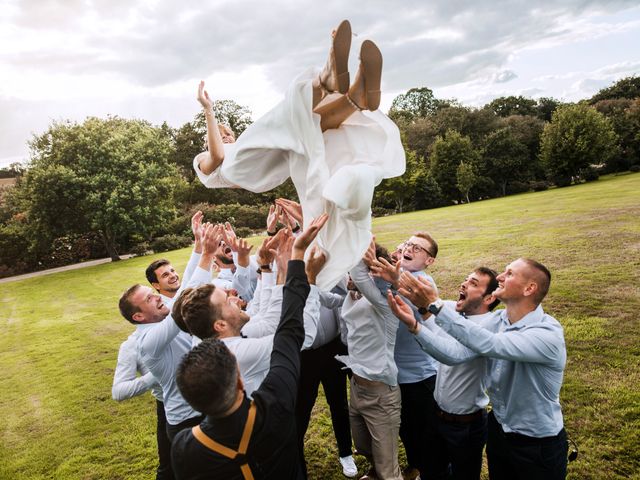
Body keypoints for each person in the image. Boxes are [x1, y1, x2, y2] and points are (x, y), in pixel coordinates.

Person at [192, 19, 405, 291]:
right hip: (241, 170)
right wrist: (209, 111)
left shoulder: (249, 143)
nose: (224, 138)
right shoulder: (202, 158)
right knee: (288, 112)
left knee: (309, 128)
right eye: (219, 136)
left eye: (227, 134)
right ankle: (326, 78)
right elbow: (217, 158)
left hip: (272, 165)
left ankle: (353, 99)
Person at [171, 215, 329, 480]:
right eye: (227, 300)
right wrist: (303, 271)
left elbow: (265, 318)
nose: (235, 297)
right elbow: (298, 335)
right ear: (240, 382)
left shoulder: (183, 447)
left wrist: (270, 271)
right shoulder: (273, 410)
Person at [394, 258, 568, 480]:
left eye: (509, 273)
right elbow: (455, 354)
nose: (500, 277)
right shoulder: (497, 320)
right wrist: (415, 326)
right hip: (500, 431)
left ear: (529, 288)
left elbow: (491, 344)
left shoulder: (547, 333)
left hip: (537, 444)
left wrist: (434, 305)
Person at [387, 267, 500, 480]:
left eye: (474, 283)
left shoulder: (488, 329)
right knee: (431, 471)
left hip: (466, 426)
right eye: (466, 279)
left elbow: (451, 354)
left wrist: (414, 325)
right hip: (436, 415)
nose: (464, 284)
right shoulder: (452, 310)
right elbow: (434, 326)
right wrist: (416, 304)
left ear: (490, 297)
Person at [117, 224, 222, 441]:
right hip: (186, 421)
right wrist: (207, 254)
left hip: (207, 406)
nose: (158, 297)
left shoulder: (163, 317)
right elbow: (184, 300)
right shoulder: (148, 341)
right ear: (138, 316)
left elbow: (183, 291)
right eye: (150, 298)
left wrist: (199, 247)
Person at [369, 232, 440, 480]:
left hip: (420, 375)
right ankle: (414, 465)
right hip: (393, 371)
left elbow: (412, 295)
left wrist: (392, 277)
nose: (409, 249)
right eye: (408, 244)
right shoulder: (392, 276)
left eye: (417, 248)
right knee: (406, 428)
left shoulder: (424, 283)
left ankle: (426, 468)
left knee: (424, 430)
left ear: (429, 261)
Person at [336, 240, 403, 480]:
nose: (349, 277)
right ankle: (375, 470)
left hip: (381, 397)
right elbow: (337, 275)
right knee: (363, 446)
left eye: (362, 271)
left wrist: (357, 234)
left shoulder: (386, 304)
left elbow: (361, 278)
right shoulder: (355, 296)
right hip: (356, 388)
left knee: (389, 470)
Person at [112, 332, 171, 480]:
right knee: (169, 468)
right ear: (138, 316)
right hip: (167, 410)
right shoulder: (132, 345)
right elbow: (119, 391)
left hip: (206, 405)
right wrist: (154, 376)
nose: (163, 306)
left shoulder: (179, 326)